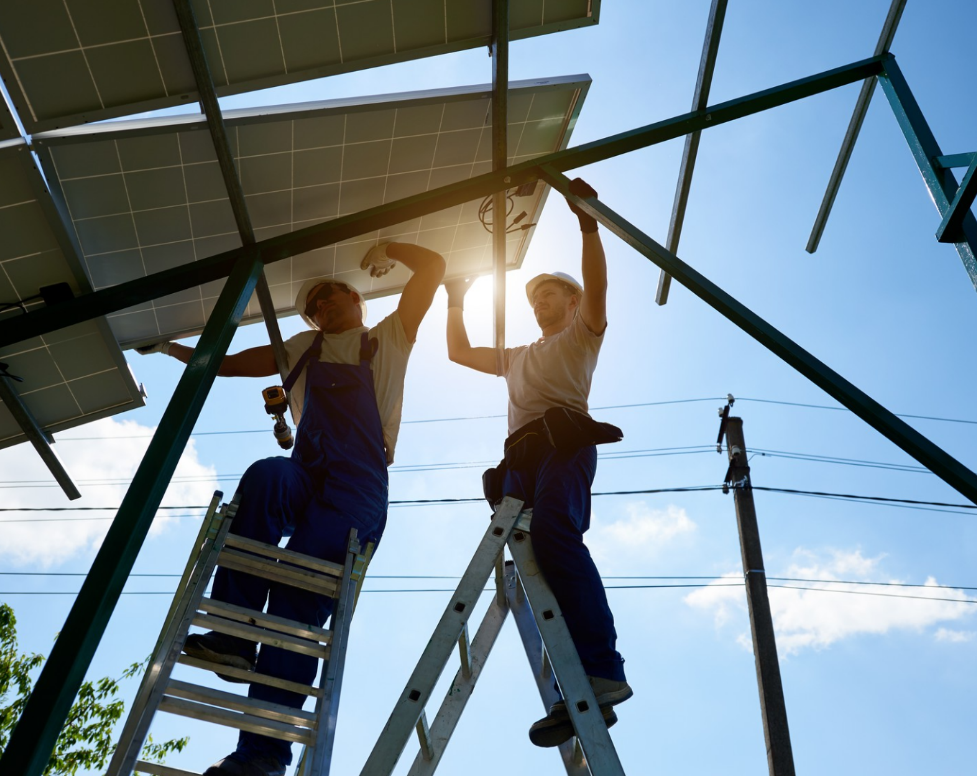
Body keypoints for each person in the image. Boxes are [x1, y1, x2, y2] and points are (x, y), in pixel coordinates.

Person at [135, 242, 445, 776]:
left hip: (357, 486)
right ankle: (232, 634)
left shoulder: (389, 335)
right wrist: (171, 349)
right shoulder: (302, 347)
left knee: (295, 611)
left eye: (329, 297)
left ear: (355, 297)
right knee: (266, 476)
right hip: (307, 473)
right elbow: (225, 365)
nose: (321, 307)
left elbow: (435, 267)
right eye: (312, 306)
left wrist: (388, 248)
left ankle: (261, 757)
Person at [442, 178, 631, 748]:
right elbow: (457, 352)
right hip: (519, 457)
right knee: (528, 565)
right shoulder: (517, 356)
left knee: (554, 534)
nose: (540, 301)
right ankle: (569, 693)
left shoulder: (581, 336)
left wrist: (588, 222)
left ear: (572, 304)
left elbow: (598, 287)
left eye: (550, 293)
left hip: (564, 444)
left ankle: (603, 668)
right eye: (534, 297)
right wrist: (455, 295)